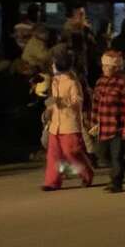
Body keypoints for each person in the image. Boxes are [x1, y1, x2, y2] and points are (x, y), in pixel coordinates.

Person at [41, 55, 93, 191]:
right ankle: (52, 181)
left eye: (54, 64)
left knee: (72, 153)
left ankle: (86, 173)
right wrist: (49, 110)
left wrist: (61, 102)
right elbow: (53, 102)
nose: (52, 66)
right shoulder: (54, 81)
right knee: (53, 155)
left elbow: (78, 101)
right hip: (55, 125)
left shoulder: (72, 82)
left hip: (69, 124)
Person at [90, 50, 125, 193]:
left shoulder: (122, 82)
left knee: (116, 156)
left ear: (115, 67)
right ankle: (119, 167)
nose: (104, 68)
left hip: (117, 127)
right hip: (103, 126)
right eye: (103, 66)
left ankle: (116, 182)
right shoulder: (100, 81)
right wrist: (93, 123)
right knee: (101, 153)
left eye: (107, 66)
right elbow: (95, 104)